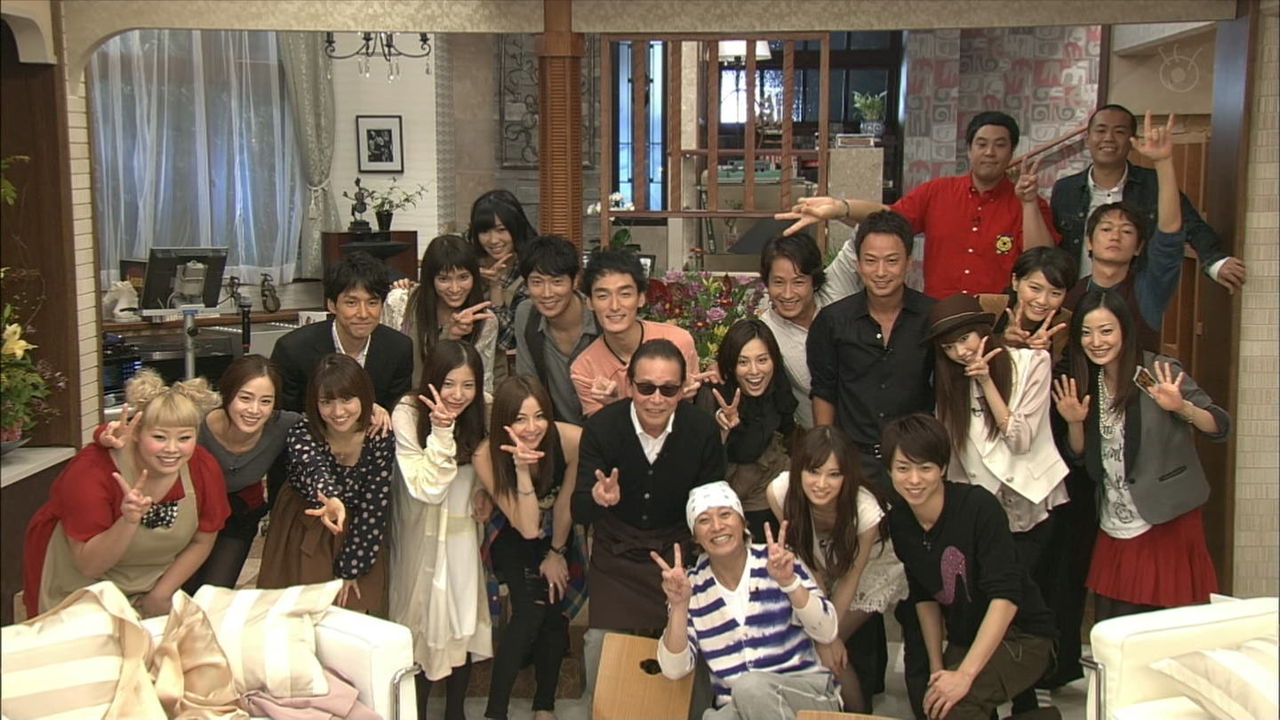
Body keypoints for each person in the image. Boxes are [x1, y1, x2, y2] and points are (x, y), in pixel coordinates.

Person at [805, 208, 935, 717]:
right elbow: (824, 393)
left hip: (914, 472)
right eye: (871, 260)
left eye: (892, 260)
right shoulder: (834, 321)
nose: (881, 271)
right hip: (856, 470)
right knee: (853, 586)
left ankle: (924, 695)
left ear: (909, 261)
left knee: (920, 588)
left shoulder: (930, 318)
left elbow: (942, 396)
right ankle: (859, 700)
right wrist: (828, 461)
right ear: (857, 262)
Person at [1052, 290, 1229, 621]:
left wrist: (1182, 407)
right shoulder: (1087, 380)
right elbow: (1081, 457)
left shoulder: (1154, 372)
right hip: (1115, 516)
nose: (1096, 342)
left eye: (1106, 331)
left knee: (1169, 627)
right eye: (1086, 333)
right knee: (1115, 626)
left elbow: (1219, 425)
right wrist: (1074, 423)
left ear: (1125, 330)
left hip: (1167, 515)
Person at [571, 338, 726, 698]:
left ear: (682, 390)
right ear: (629, 384)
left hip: (678, 554)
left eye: (668, 389)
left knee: (696, 642)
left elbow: (711, 501)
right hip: (617, 555)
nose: (656, 399)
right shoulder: (602, 427)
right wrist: (598, 498)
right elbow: (579, 509)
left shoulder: (701, 429)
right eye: (646, 388)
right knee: (600, 643)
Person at [882, 414, 1059, 720]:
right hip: (965, 637)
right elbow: (924, 596)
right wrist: (937, 669)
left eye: (925, 468)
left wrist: (964, 676)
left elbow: (1006, 597)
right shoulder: (900, 522)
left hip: (1023, 636)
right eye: (903, 468)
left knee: (954, 707)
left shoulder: (978, 507)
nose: (914, 480)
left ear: (943, 468)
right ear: (889, 470)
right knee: (932, 703)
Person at [779, 111, 1057, 297]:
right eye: (981, 144)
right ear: (969, 149)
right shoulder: (939, 192)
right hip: (940, 317)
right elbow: (890, 218)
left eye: (1000, 145)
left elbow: (1042, 260)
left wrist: (1028, 204)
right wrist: (841, 207)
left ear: (1012, 150)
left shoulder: (1028, 204)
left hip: (999, 319)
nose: (990, 152)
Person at [23, 369, 229, 618]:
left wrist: (161, 594)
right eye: (159, 437)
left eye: (184, 438)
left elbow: (203, 539)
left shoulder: (202, 467)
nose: (172, 449)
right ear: (137, 432)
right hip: (80, 589)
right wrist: (128, 521)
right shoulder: (92, 470)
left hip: (150, 588)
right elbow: (89, 565)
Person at [95, 354, 303, 592]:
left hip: (238, 514)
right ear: (227, 394)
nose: (254, 410)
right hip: (188, 512)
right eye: (245, 398)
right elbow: (137, 429)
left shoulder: (283, 425)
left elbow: (323, 427)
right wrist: (103, 435)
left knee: (213, 592)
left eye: (266, 401)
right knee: (173, 587)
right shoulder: (196, 420)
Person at [655, 481, 843, 720]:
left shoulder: (777, 560)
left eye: (725, 514)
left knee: (750, 687)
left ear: (743, 522)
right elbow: (674, 670)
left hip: (807, 698)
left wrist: (789, 582)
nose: (717, 526)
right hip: (740, 708)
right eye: (703, 520)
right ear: (696, 537)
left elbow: (827, 631)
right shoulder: (691, 586)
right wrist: (679, 607)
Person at [766, 426, 907, 713]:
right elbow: (806, 559)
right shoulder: (780, 492)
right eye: (813, 472)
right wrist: (819, 615)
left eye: (834, 474)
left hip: (871, 568)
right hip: (816, 562)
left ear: (847, 476)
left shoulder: (865, 510)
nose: (821, 483)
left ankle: (857, 715)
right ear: (799, 469)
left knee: (828, 644)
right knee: (815, 638)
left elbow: (851, 578)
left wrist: (827, 632)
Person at [388, 340, 493, 720]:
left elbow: (490, 465)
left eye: (468, 385)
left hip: (463, 533)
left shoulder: (485, 409)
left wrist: (487, 492)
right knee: (420, 620)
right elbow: (426, 487)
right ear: (432, 379)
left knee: (461, 620)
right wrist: (442, 430)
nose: (458, 395)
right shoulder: (407, 411)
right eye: (448, 384)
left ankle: (455, 712)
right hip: (420, 533)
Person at [475, 376, 583, 720]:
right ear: (504, 421)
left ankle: (544, 706)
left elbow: (565, 503)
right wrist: (521, 470)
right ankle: (495, 711)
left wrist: (557, 552)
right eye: (520, 419)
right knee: (529, 610)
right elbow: (526, 526)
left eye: (539, 416)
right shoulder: (486, 454)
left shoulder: (571, 440)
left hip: (557, 528)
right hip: (512, 527)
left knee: (554, 605)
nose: (532, 427)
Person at [1050, 103, 1246, 293]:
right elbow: (1054, 247)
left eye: (1119, 132)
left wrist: (1216, 261)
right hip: (1078, 296)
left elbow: (1192, 225)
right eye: (1101, 131)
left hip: (1135, 299)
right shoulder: (1065, 189)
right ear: (1087, 139)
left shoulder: (1154, 185)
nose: (1108, 138)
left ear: (1133, 141)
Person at [257, 353, 395, 616]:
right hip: (303, 523)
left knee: (353, 611)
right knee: (296, 610)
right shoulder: (303, 431)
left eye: (347, 399)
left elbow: (374, 503)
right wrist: (331, 498)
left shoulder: (380, 436)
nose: (338, 412)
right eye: (326, 402)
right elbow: (314, 469)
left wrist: (353, 567)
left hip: (360, 529)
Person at [1062, 111, 1188, 352]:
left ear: (1139, 247)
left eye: (1127, 231)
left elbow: (1170, 235)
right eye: (1106, 229)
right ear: (1089, 242)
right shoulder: (1071, 294)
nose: (1115, 236)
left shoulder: (1147, 290)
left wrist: (1163, 162)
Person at [271, 250, 411, 431]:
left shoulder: (399, 348)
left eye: (372, 303)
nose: (363, 314)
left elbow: (397, 412)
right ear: (332, 305)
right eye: (351, 303)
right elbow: (282, 419)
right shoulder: (293, 350)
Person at [697, 318, 796, 538]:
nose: (754, 371)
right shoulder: (714, 393)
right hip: (724, 484)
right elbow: (703, 466)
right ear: (730, 365)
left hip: (767, 473)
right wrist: (723, 429)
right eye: (743, 362)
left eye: (762, 360)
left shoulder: (776, 383)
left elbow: (788, 428)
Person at [570, 250, 699, 416]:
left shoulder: (679, 341)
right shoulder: (585, 368)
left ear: (641, 298)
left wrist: (685, 395)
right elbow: (599, 430)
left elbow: (691, 418)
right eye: (602, 296)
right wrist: (613, 405)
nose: (614, 306)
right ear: (589, 302)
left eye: (625, 294)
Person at [758, 231, 861, 428]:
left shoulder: (835, 286)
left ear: (814, 282)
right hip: (818, 437)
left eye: (798, 282)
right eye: (778, 282)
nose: (787, 294)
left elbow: (869, 228)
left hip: (870, 429)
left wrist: (838, 213)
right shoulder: (765, 332)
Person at [383, 234, 499, 394]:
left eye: (463, 277)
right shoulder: (399, 302)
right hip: (402, 400)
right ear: (430, 279)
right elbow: (386, 367)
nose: (455, 288)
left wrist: (452, 339)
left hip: (457, 402)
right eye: (444, 279)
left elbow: (482, 385)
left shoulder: (485, 321)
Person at [514, 234, 599, 424]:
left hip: (604, 430)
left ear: (575, 281)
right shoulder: (527, 315)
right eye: (537, 282)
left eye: (557, 282)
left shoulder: (599, 316)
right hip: (553, 431)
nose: (546, 293)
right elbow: (528, 385)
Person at [469, 189, 538, 387]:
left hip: (509, 376)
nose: (493, 240)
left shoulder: (531, 270)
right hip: (466, 369)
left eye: (501, 230)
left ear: (516, 228)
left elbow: (506, 340)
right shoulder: (468, 265)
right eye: (485, 231)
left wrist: (495, 287)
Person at [977, 245, 1075, 364]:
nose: (1042, 301)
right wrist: (1001, 342)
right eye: (1035, 288)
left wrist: (1043, 356)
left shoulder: (1068, 324)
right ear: (1015, 281)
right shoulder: (984, 306)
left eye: (1055, 293)